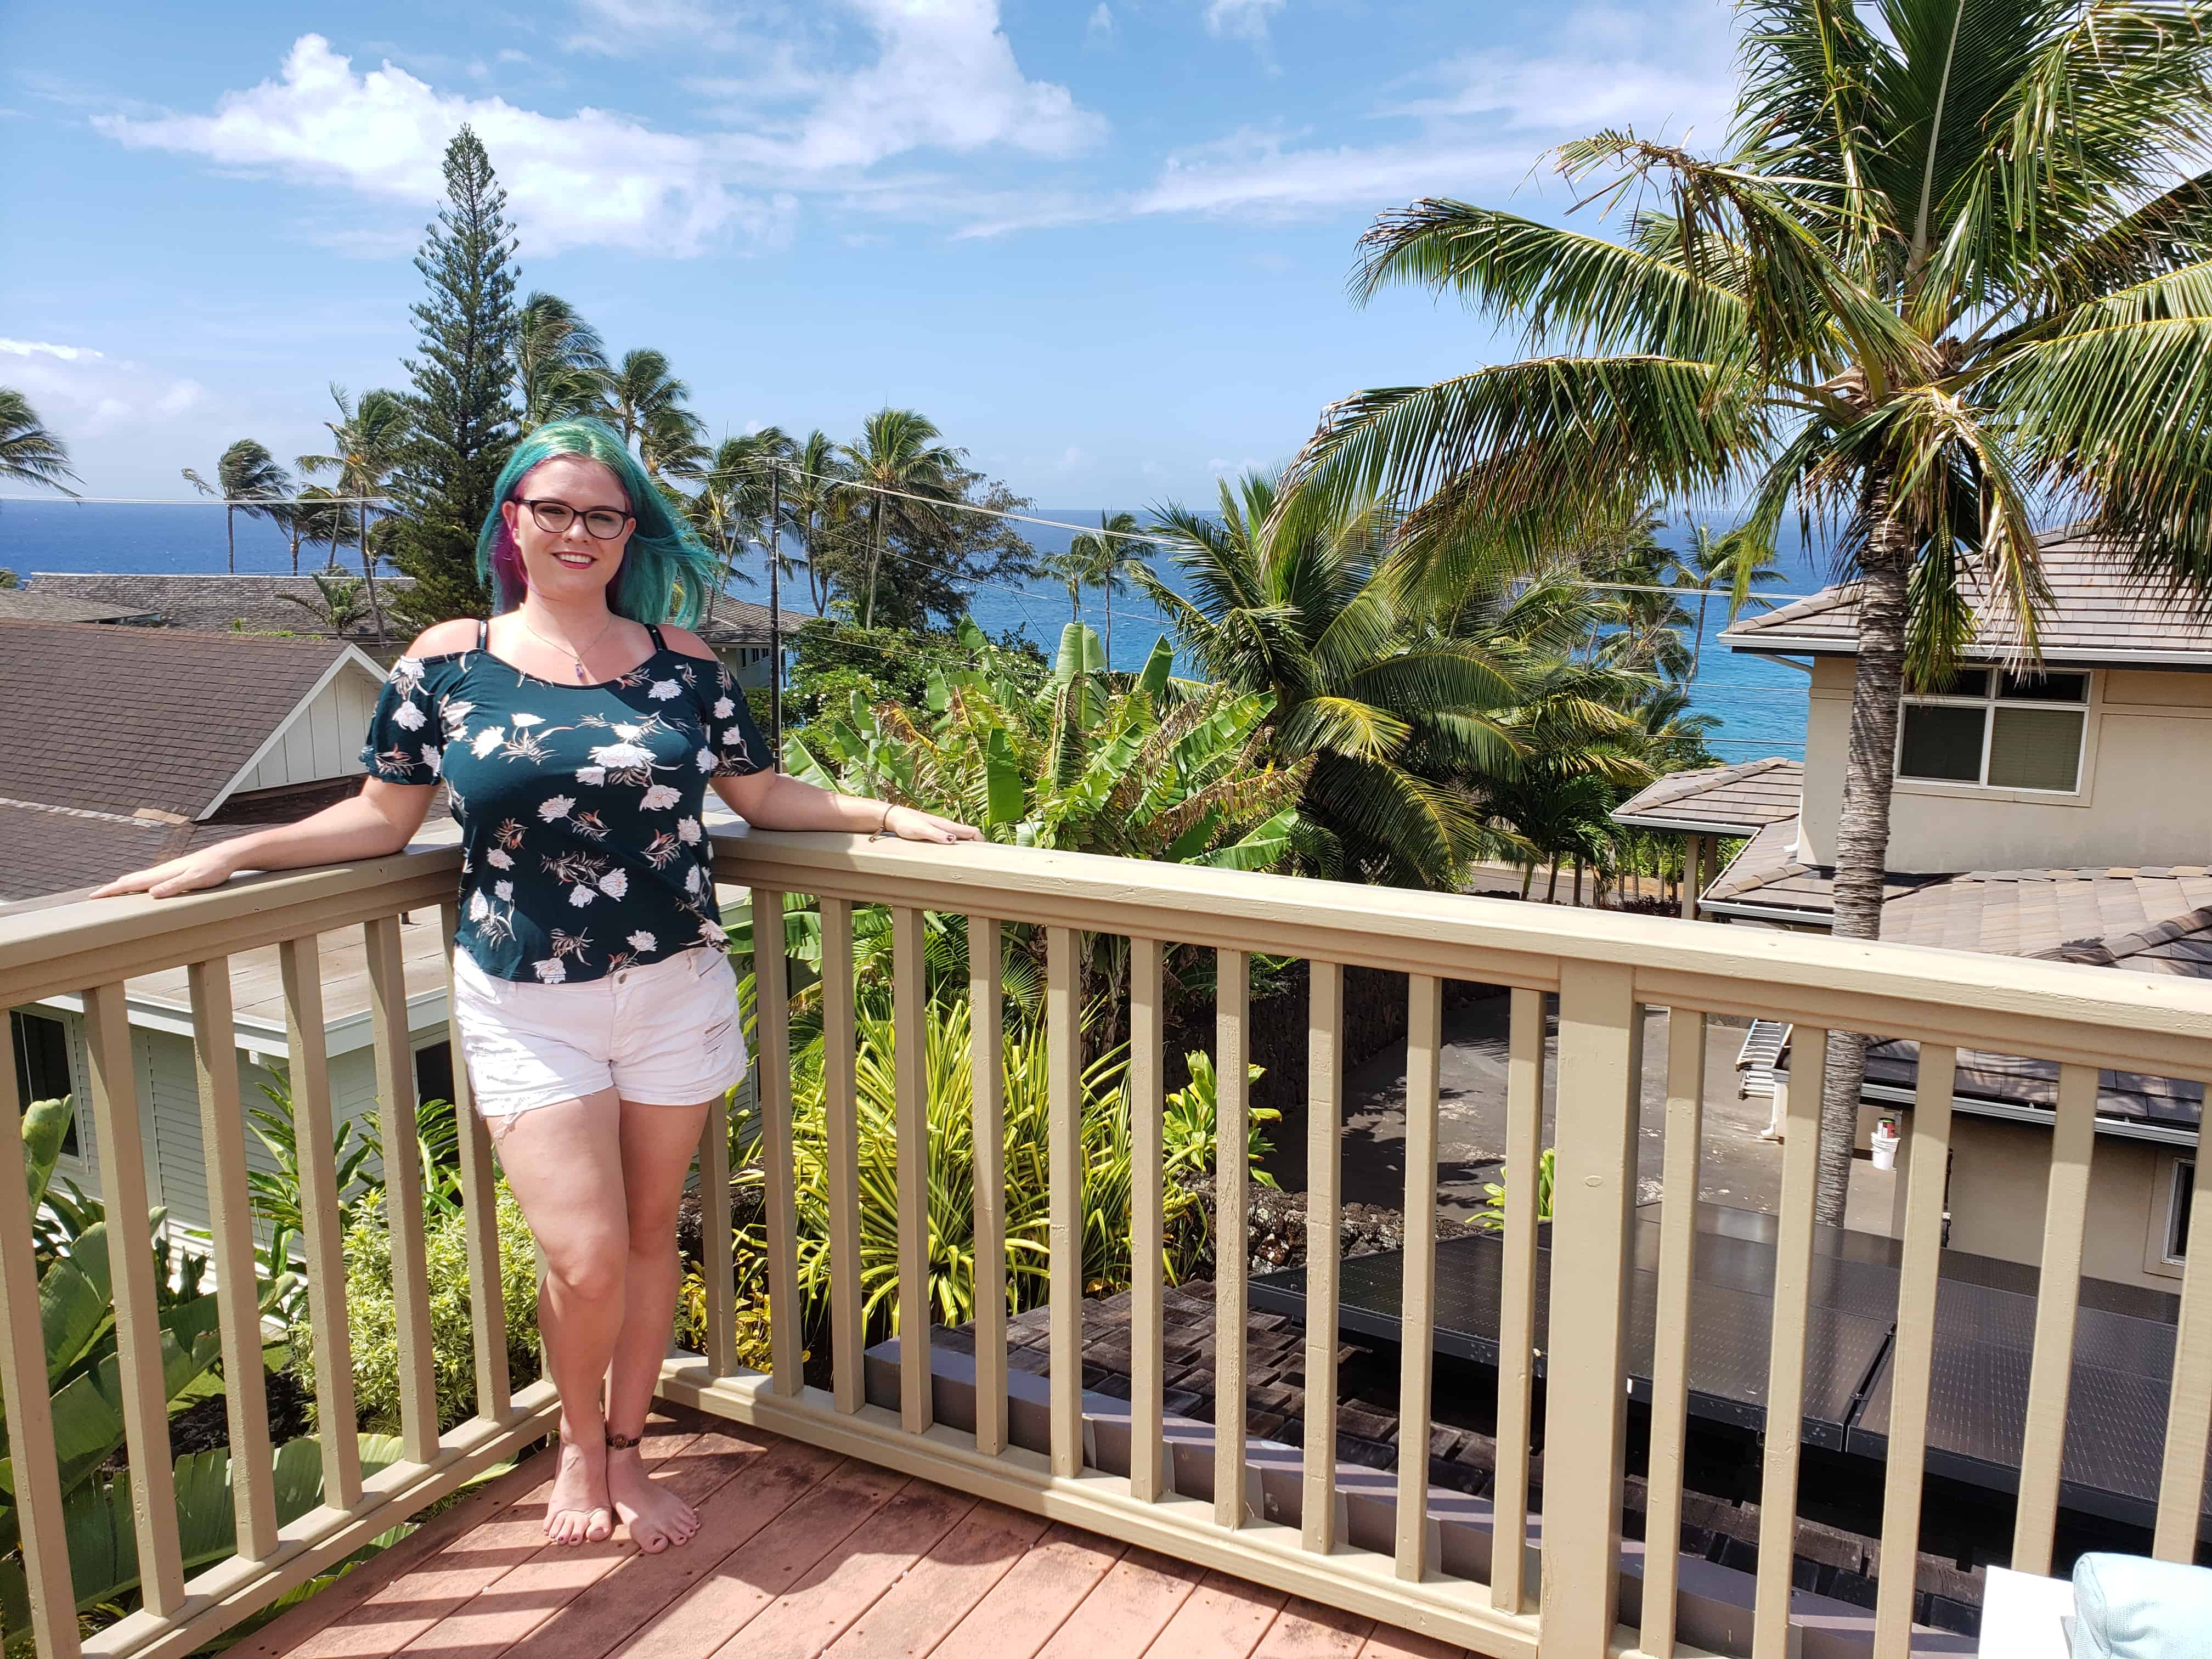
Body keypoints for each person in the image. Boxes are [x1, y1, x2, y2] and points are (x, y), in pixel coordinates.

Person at [92, 416, 979, 1554]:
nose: (576, 530)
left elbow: (762, 800)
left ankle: (625, 1452)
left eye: (601, 514)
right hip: (525, 999)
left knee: (653, 1232)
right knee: (585, 1250)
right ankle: (575, 1443)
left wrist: (884, 812)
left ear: (628, 533)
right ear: (513, 522)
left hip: (676, 986)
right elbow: (381, 816)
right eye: (551, 509)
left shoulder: (686, 662)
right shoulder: (446, 658)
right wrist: (230, 852)